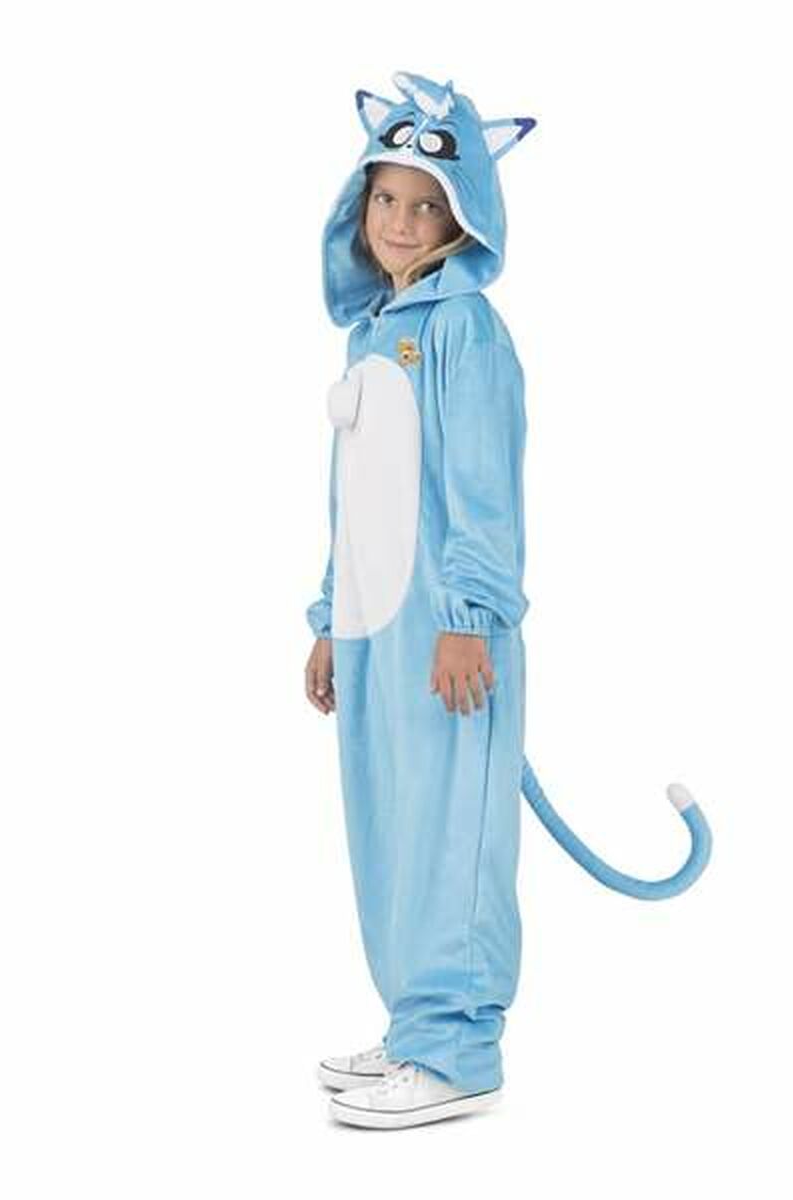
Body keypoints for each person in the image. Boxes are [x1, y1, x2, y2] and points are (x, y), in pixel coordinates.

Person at [305, 72, 712, 1132]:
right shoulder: (371, 336)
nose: (401, 223)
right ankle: (416, 1026)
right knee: (390, 831)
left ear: (465, 217)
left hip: (448, 634)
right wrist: (328, 620)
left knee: (453, 836)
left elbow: (485, 490)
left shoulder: (465, 331)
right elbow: (356, 496)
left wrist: (470, 620)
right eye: (385, 199)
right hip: (375, 631)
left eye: (426, 204)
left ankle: (459, 1048)